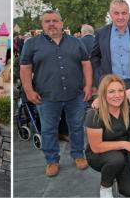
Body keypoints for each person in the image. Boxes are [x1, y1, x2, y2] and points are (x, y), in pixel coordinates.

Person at [19, 10, 92, 177]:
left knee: (76, 127)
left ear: (61, 23)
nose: (51, 24)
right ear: (42, 24)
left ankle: (78, 155)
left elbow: (86, 64)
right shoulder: (32, 44)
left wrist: (88, 86)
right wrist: (29, 90)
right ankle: (52, 160)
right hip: (47, 96)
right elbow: (25, 68)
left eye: (55, 20)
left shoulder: (76, 42)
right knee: (48, 129)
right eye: (47, 21)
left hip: (75, 94)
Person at [85, 74, 130, 197]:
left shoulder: (126, 107)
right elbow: (96, 147)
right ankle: (105, 186)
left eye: (120, 91)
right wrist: (124, 144)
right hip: (99, 154)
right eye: (111, 92)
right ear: (103, 94)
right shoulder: (94, 114)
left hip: (121, 153)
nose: (117, 95)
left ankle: (114, 171)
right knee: (116, 160)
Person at [91, 0, 130, 88]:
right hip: (109, 84)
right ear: (110, 14)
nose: (120, 17)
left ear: (129, 15)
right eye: (116, 13)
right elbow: (95, 57)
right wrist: (99, 78)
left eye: (124, 13)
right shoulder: (101, 33)